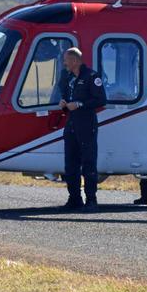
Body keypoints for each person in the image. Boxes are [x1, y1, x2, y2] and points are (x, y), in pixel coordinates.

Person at [58, 47, 107, 212]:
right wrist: (63, 103)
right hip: (71, 124)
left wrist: (80, 104)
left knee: (88, 163)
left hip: (86, 124)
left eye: (66, 59)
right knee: (70, 164)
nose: (64, 63)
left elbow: (100, 100)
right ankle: (74, 198)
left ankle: (91, 200)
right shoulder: (67, 77)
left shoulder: (92, 76)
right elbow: (65, 94)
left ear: (75, 60)